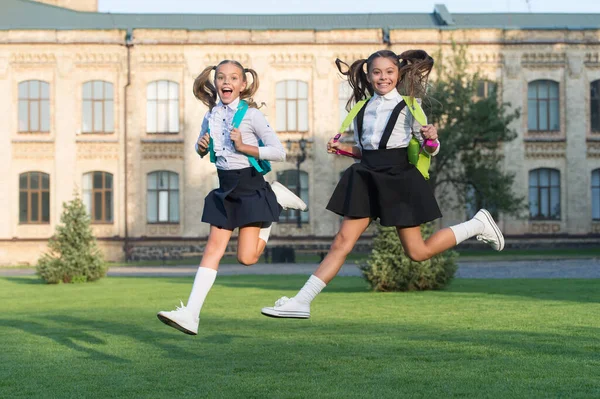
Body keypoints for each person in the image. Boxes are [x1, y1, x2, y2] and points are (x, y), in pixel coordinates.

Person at [261, 49, 504, 319]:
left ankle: (477, 224)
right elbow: (369, 152)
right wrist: (343, 149)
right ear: (368, 74)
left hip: (398, 177)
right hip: (367, 174)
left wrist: (432, 137)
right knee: (342, 241)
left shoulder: (411, 106)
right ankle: (302, 301)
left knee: (418, 252)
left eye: (389, 72)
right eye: (377, 72)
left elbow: (430, 150)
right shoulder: (361, 107)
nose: (383, 77)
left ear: (398, 74)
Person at [158, 59, 307, 335]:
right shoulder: (210, 116)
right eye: (222, 78)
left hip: (250, 188)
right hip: (225, 187)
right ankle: (191, 314)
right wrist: (201, 146)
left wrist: (245, 146)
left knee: (247, 258)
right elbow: (203, 146)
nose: (227, 82)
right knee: (213, 248)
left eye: (234, 78)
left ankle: (273, 198)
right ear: (215, 83)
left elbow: (279, 152)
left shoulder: (252, 116)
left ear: (243, 84)